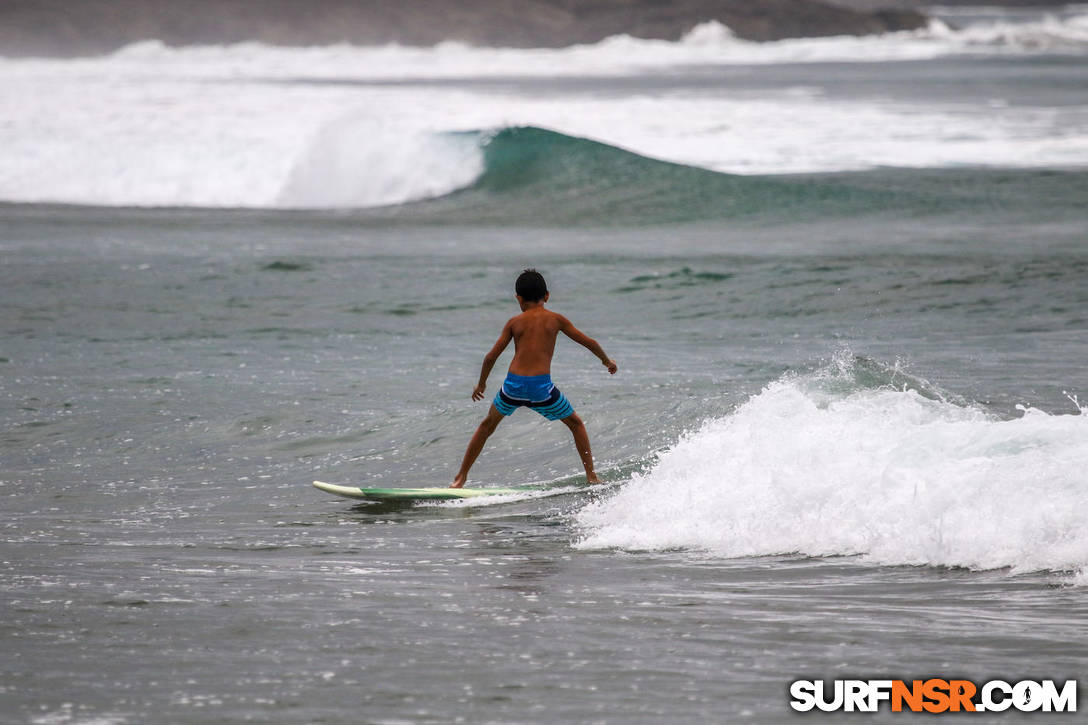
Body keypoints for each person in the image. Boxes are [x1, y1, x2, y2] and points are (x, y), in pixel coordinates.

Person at [451, 269, 617, 488]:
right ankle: (591, 476)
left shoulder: (514, 322)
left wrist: (481, 384)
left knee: (487, 426)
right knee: (576, 424)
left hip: (513, 386)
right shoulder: (556, 320)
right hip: (541, 388)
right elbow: (589, 342)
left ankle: (460, 478)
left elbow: (491, 357)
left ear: (518, 298)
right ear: (547, 296)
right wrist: (606, 361)